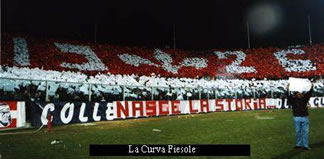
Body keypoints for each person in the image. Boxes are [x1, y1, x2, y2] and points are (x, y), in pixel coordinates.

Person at [287, 83, 313, 150]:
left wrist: (312, 87)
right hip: (297, 117)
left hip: (304, 117)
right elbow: (288, 96)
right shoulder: (293, 100)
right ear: (296, 94)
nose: (300, 94)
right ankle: (298, 145)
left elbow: (309, 93)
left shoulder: (305, 99)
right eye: (298, 94)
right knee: (298, 132)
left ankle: (305, 146)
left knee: (305, 132)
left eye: (301, 93)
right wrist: (287, 89)